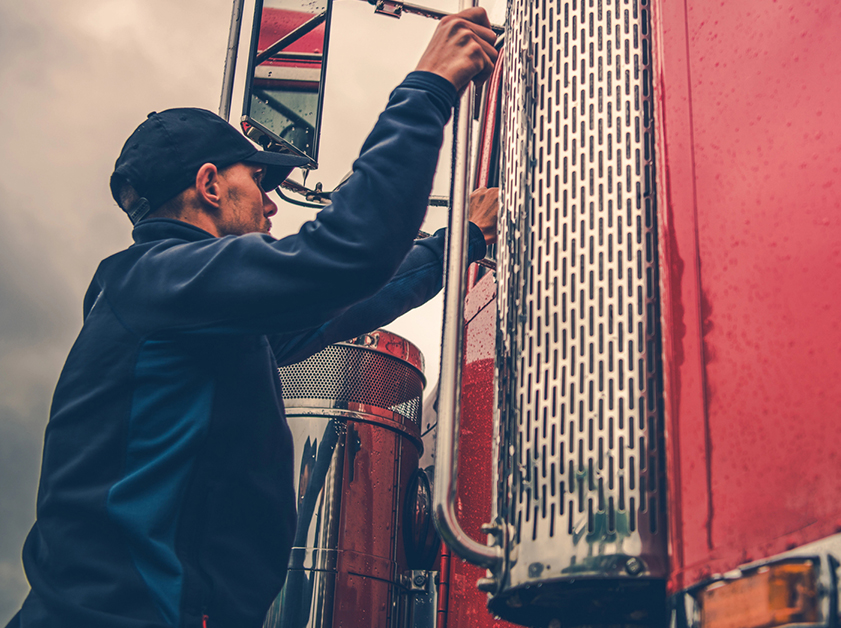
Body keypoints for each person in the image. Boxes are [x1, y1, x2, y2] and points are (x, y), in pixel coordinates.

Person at [7, 8, 499, 628]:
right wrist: (429, 85)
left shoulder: (189, 310)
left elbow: (351, 298)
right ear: (209, 184)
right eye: (258, 179)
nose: (271, 201)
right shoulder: (164, 281)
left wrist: (460, 244)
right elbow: (348, 253)